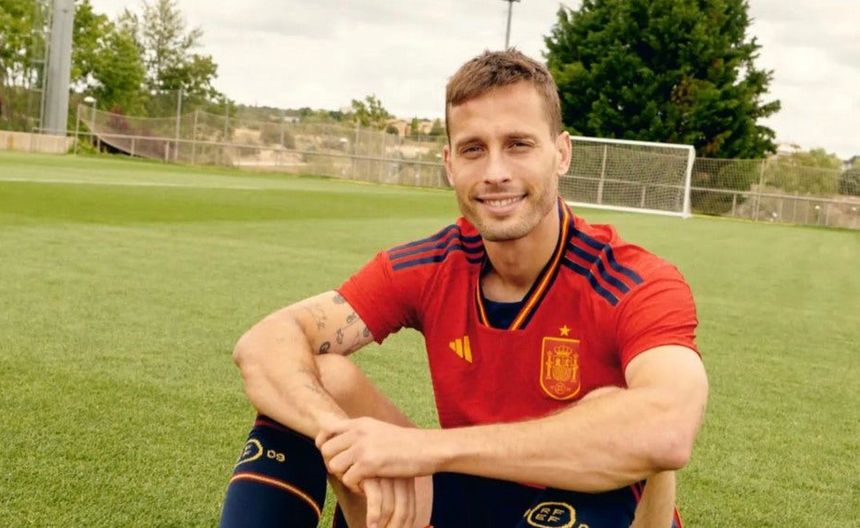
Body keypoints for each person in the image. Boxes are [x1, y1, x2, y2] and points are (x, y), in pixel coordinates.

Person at [219, 49, 708, 528]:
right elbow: (263, 343)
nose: (496, 173)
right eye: (474, 149)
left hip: (592, 500)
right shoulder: (433, 264)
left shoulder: (633, 281)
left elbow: (668, 428)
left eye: (518, 144)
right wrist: (340, 434)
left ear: (561, 153)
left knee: (619, 431)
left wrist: (425, 449)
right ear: (450, 163)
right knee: (318, 380)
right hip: (467, 493)